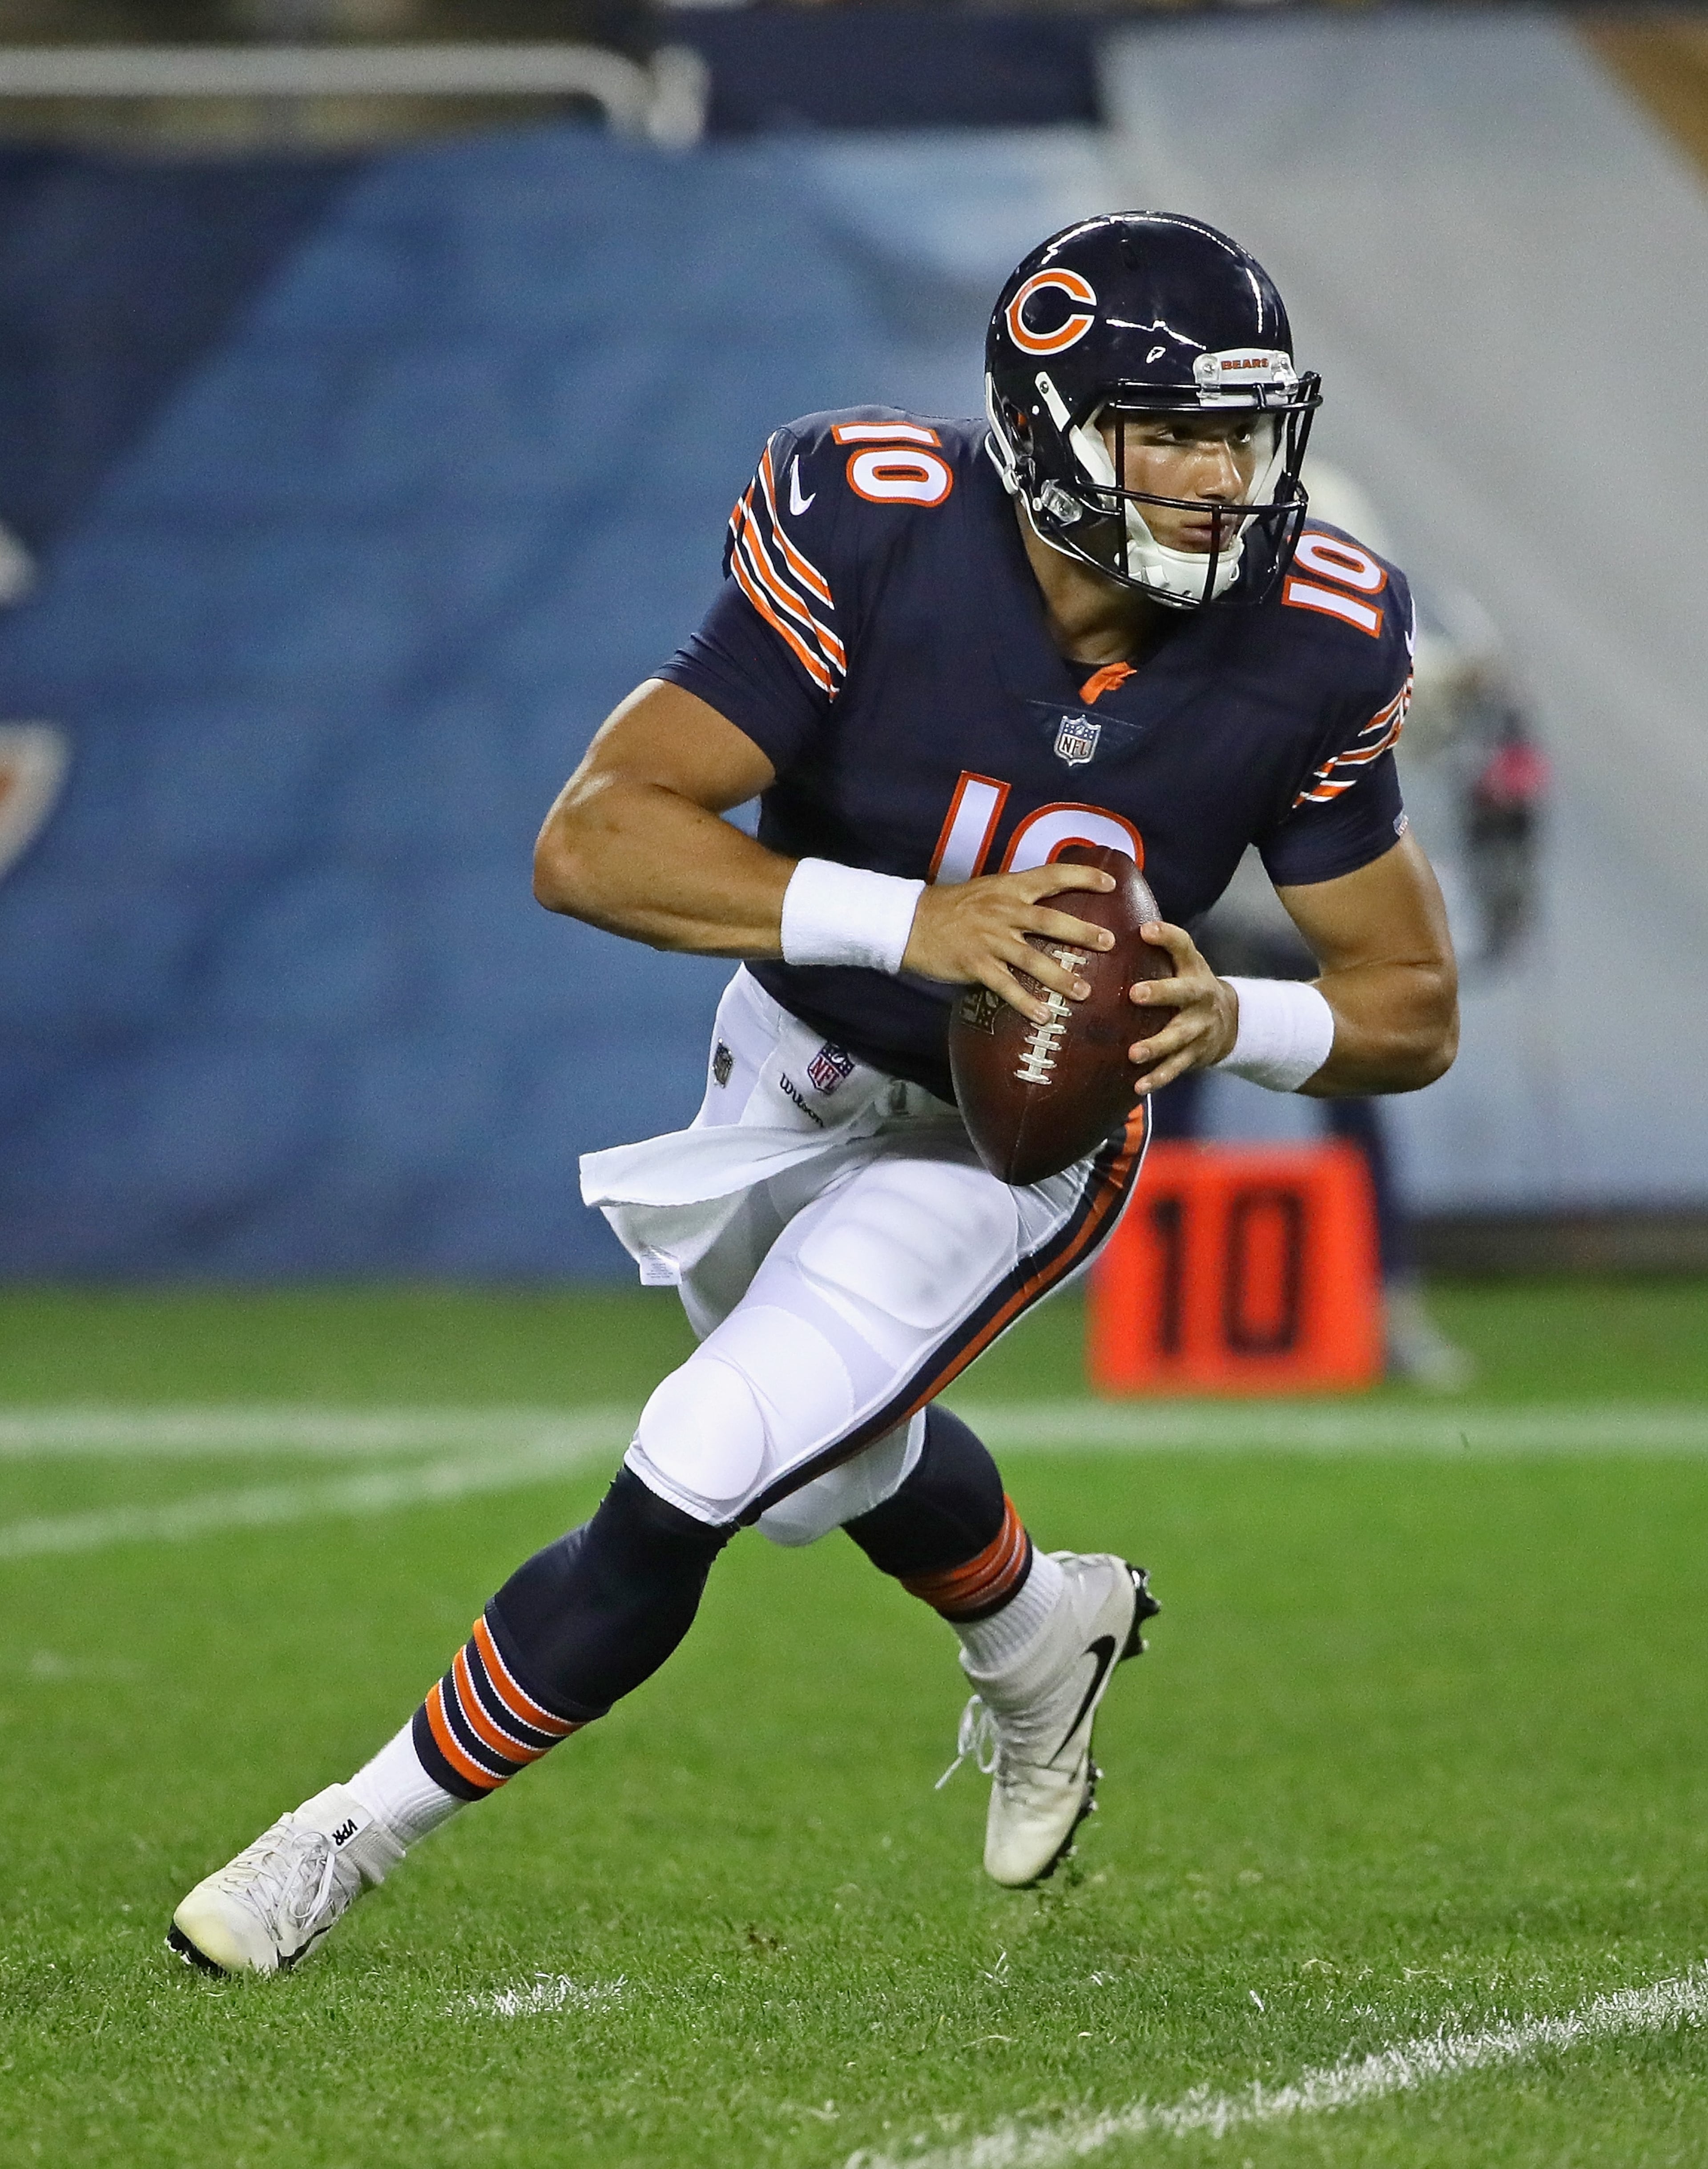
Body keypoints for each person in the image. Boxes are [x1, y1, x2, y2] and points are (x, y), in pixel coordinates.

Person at [169, 212, 1458, 1974]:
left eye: (1240, 433)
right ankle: (1038, 1625)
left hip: (1017, 1139)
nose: (1221, 479)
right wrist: (913, 920)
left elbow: (1408, 1006)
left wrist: (1236, 1016)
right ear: (1047, 426)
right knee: (822, 1467)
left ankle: (343, 1834)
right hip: (790, 1049)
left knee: (706, 1451)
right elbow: (594, 838)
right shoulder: (875, 526)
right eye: (1173, 431)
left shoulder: (1314, 634)